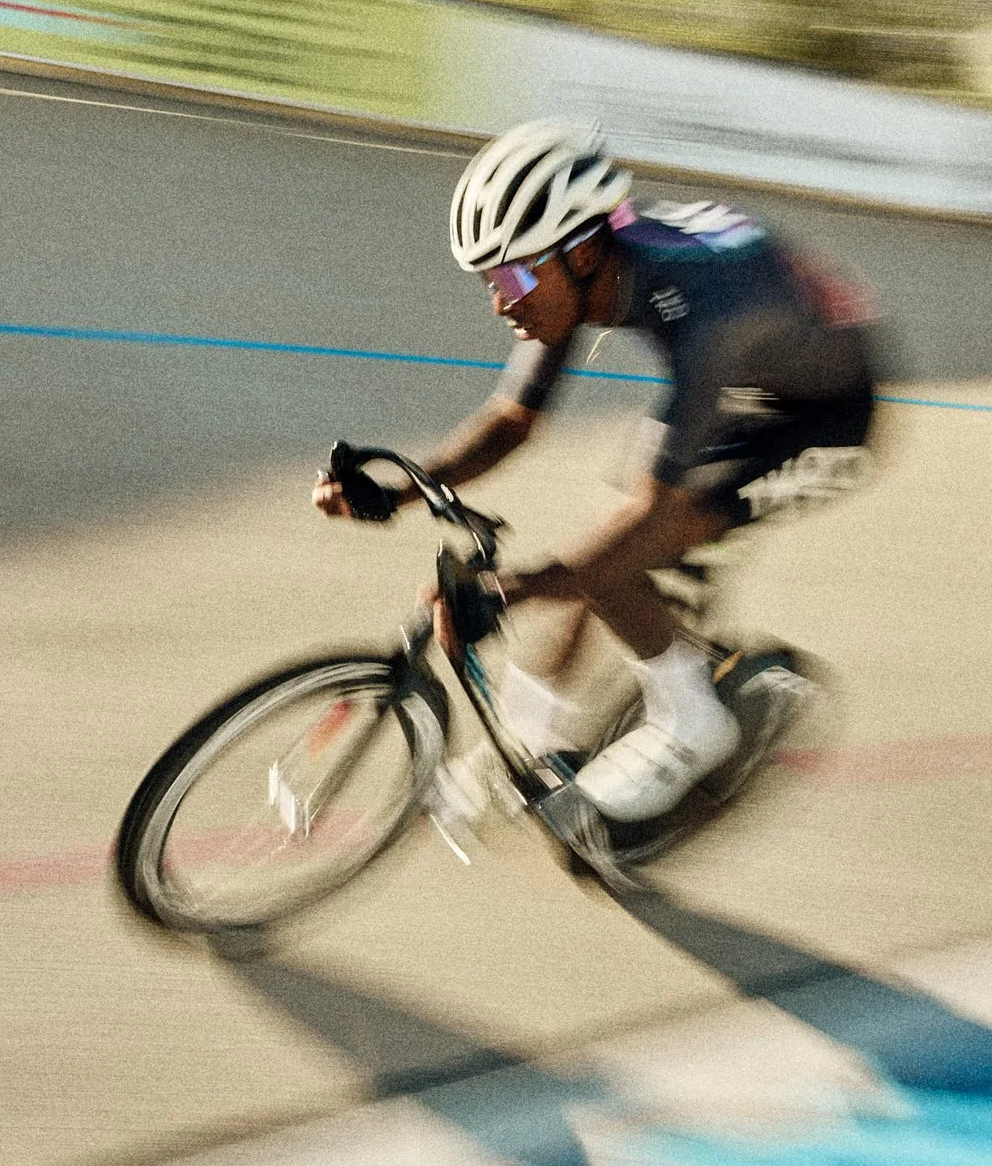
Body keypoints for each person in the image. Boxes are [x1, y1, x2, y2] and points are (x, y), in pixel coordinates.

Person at [314, 120, 880, 822]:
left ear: (580, 252)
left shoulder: (703, 309)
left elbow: (639, 523)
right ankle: (531, 730)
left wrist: (508, 592)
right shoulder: (583, 269)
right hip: (756, 373)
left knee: (620, 553)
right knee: (607, 544)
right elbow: (513, 420)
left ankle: (694, 720)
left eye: (513, 275)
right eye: (491, 277)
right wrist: (398, 492)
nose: (501, 300)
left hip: (827, 418)